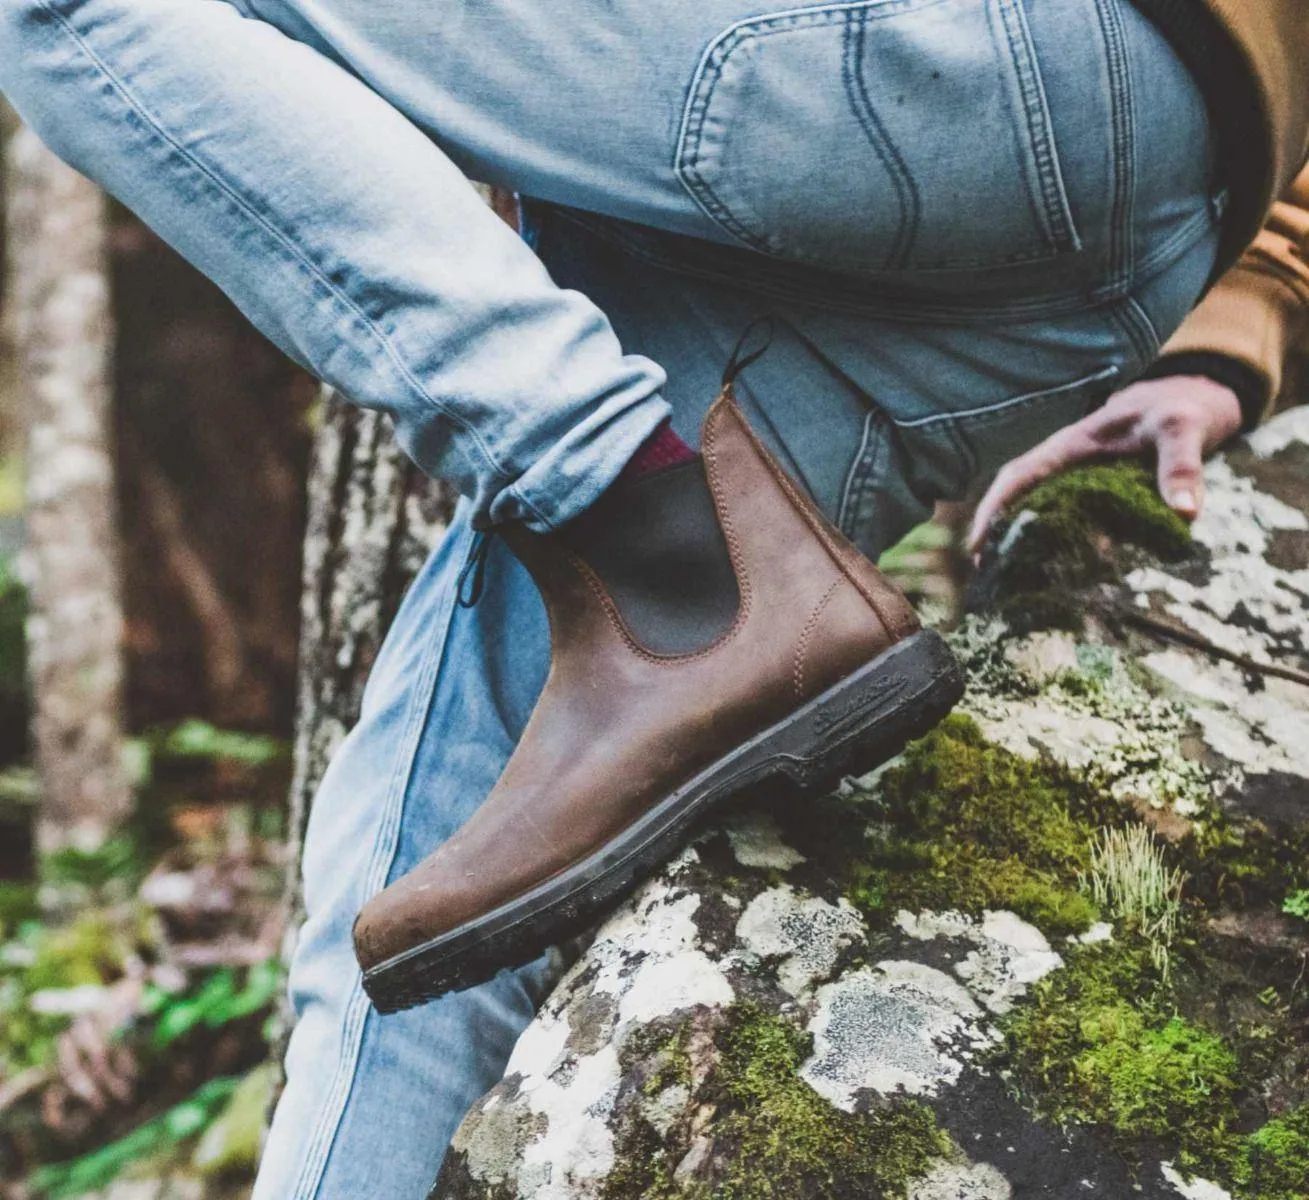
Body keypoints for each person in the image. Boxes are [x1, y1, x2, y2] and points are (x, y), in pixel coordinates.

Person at [1, 0, 1305, 1195]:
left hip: (976, 61)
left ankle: (623, 502)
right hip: (1124, 245)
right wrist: (1246, 307)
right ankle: (684, 588)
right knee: (414, 916)